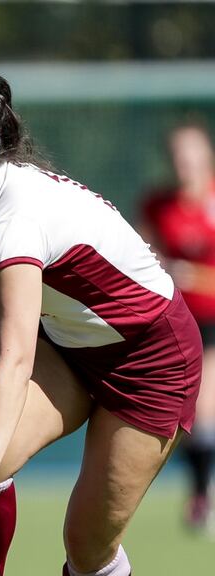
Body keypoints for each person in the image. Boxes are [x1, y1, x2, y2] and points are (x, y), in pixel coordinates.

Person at [0, 72, 202, 575]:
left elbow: (16, 357)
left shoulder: (13, 223)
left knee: (86, 546)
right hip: (73, 343)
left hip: (150, 362)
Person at [138, 121, 215, 534]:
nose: (185, 165)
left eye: (193, 156)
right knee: (186, 415)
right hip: (175, 323)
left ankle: (201, 499)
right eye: (178, 158)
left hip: (214, 322)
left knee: (203, 409)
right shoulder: (156, 205)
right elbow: (140, 256)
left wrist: (195, 277)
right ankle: (201, 492)